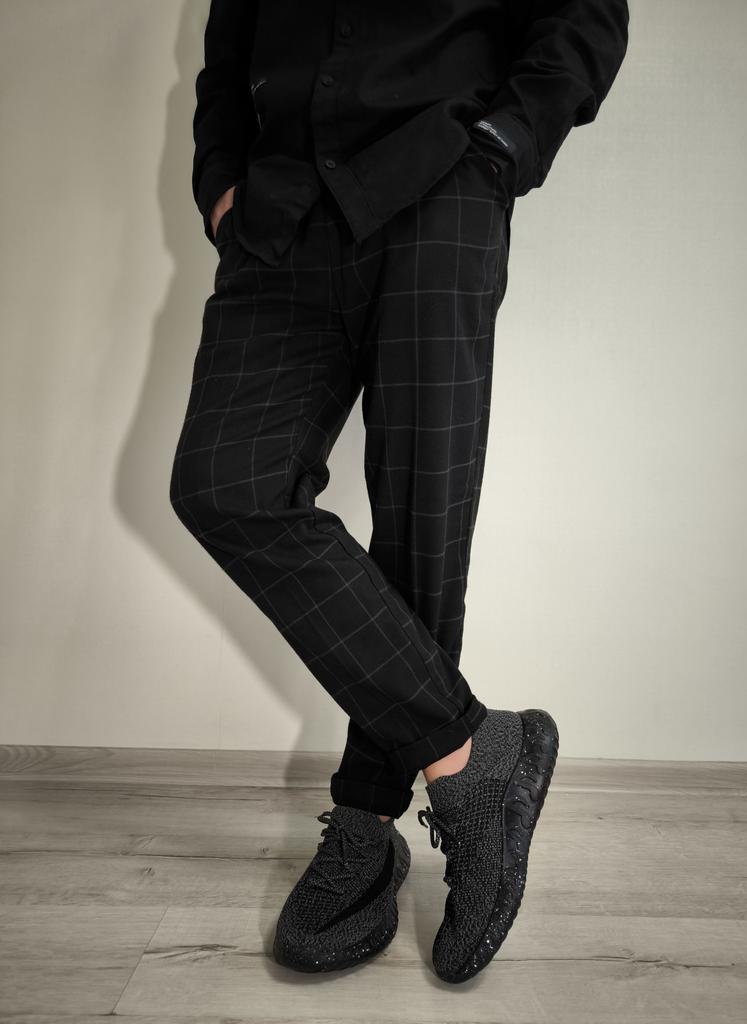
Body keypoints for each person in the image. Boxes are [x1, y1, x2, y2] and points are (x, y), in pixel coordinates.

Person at [171, 0, 629, 983]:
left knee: (422, 519)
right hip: (280, 220)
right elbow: (224, 60)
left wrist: (502, 148)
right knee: (224, 484)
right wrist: (221, 188)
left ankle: (367, 823)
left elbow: (585, 13)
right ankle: (472, 755)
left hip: (436, 182)